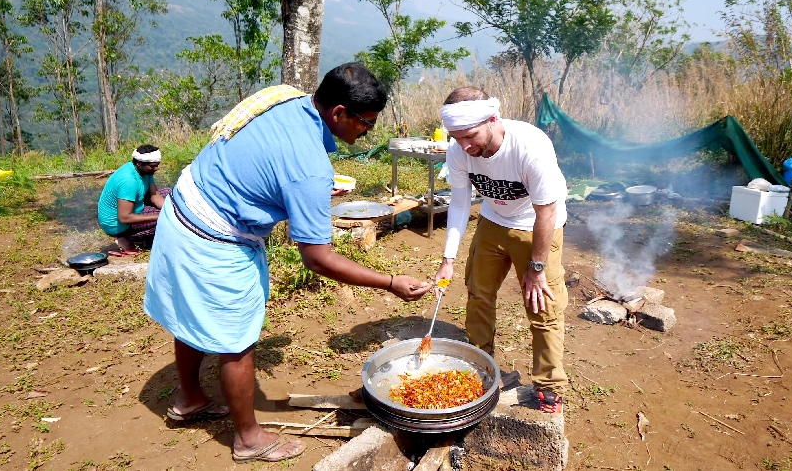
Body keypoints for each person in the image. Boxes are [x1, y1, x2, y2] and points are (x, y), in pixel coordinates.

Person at [143, 63, 433, 464]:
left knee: (195, 312)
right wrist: (389, 282)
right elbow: (317, 258)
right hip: (213, 238)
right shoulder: (310, 167)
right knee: (236, 341)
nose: (368, 131)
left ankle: (190, 397)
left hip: (183, 208)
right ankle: (248, 439)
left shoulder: (285, 98)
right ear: (338, 114)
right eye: (366, 123)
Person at [432, 87, 569, 414]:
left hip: (536, 225)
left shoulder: (530, 147)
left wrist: (536, 269)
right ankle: (481, 361)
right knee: (478, 292)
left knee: (542, 305)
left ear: (493, 119)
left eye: (470, 135)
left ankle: (549, 385)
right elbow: (461, 201)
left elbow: (546, 212)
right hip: (493, 221)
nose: (464, 145)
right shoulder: (459, 150)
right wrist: (448, 258)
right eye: (456, 137)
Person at [97, 144, 169, 255]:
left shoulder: (144, 170)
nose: (156, 168)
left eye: (157, 165)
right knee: (165, 219)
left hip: (132, 208)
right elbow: (124, 217)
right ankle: (125, 238)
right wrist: (161, 215)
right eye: (153, 166)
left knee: (168, 194)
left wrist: (172, 209)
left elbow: (155, 196)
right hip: (118, 225)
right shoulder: (129, 181)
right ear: (140, 163)